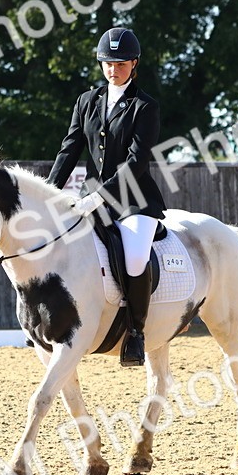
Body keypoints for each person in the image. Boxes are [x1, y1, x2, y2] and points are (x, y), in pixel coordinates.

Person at [48, 27, 166, 366]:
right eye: (107, 63)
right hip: (89, 195)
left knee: (133, 259)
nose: (113, 70)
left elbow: (136, 162)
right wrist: (52, 193)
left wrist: (99, 197)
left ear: (134, 64)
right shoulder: (87, 101)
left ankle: (137, 333)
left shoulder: (145, 106)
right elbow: (69, 149)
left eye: (120, 64)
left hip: (134, 200)